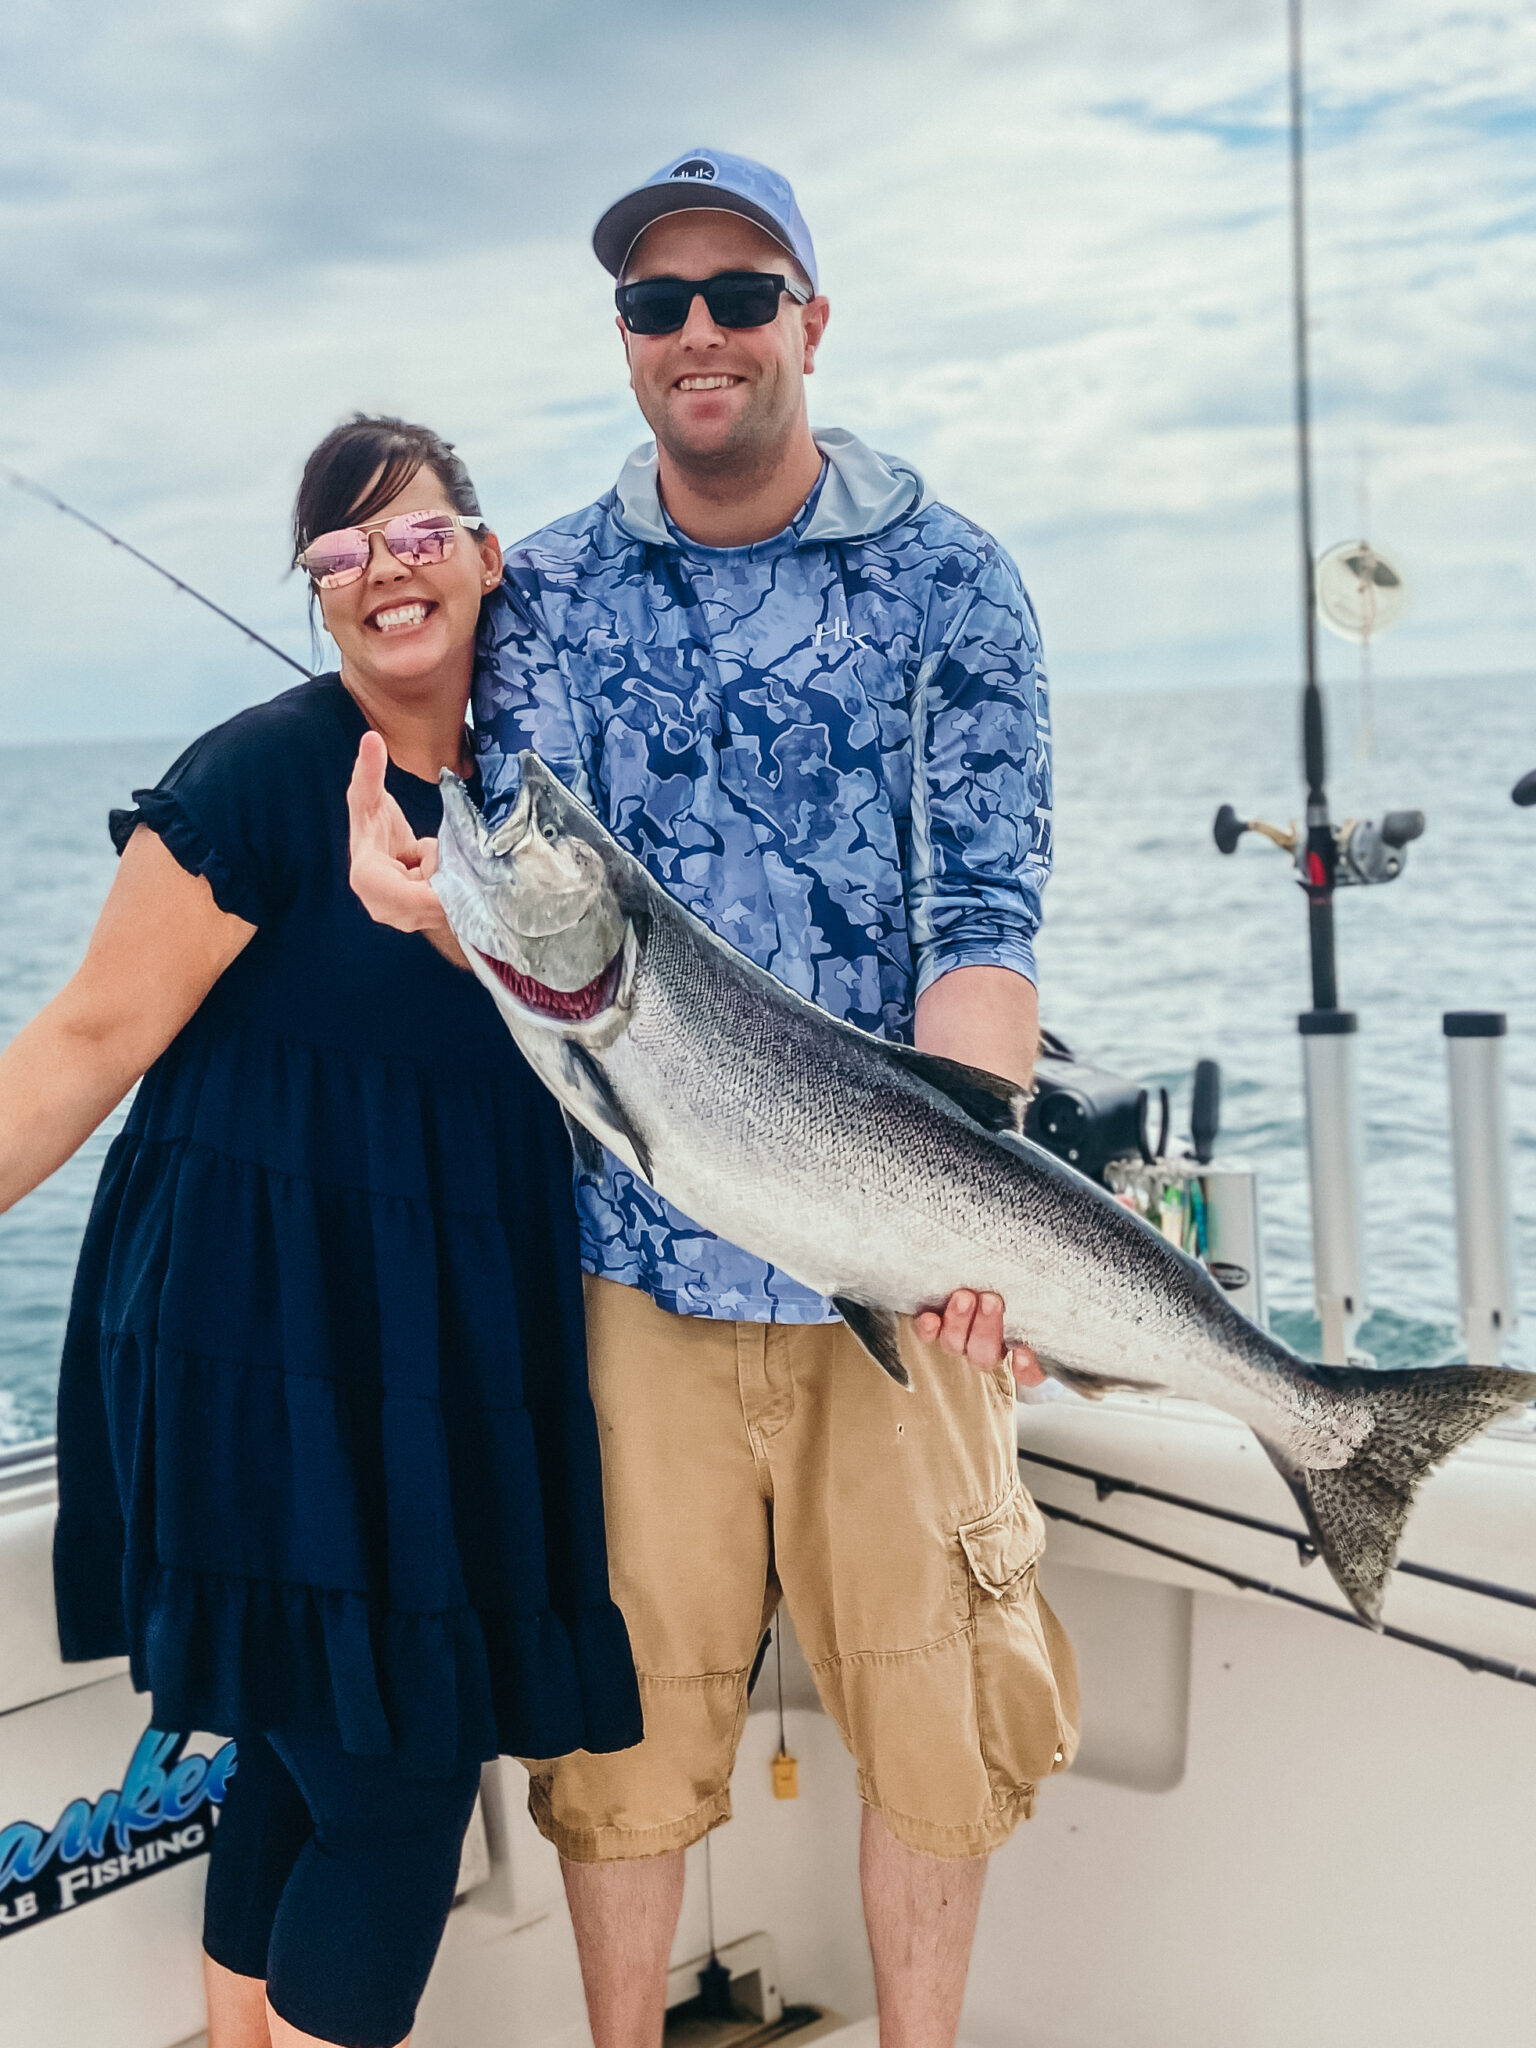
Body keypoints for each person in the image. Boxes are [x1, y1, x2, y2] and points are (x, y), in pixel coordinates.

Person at [350, 150, 1078, 2048]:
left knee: (934, 1719)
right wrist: (423, 902)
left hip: (895, 1270)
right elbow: (531, 903)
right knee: (623, 1742)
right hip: (633, 1267)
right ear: (624, 340)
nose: (699, 332)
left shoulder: (952, 581)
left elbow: (982, 925)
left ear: (809, 322)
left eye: (739, 295)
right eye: (655, 302)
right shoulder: (549, 594)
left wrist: (972, 1218)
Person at [0, 415, 641, 2048]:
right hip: (255, 1341)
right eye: (342, 552)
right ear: (316, 593)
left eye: (418, 533)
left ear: (487, 556)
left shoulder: (526, 806)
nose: (384, 571)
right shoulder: (261, 776)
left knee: (310, 1755)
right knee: (400, 1784)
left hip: (433, 1346)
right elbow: (84, 1041)